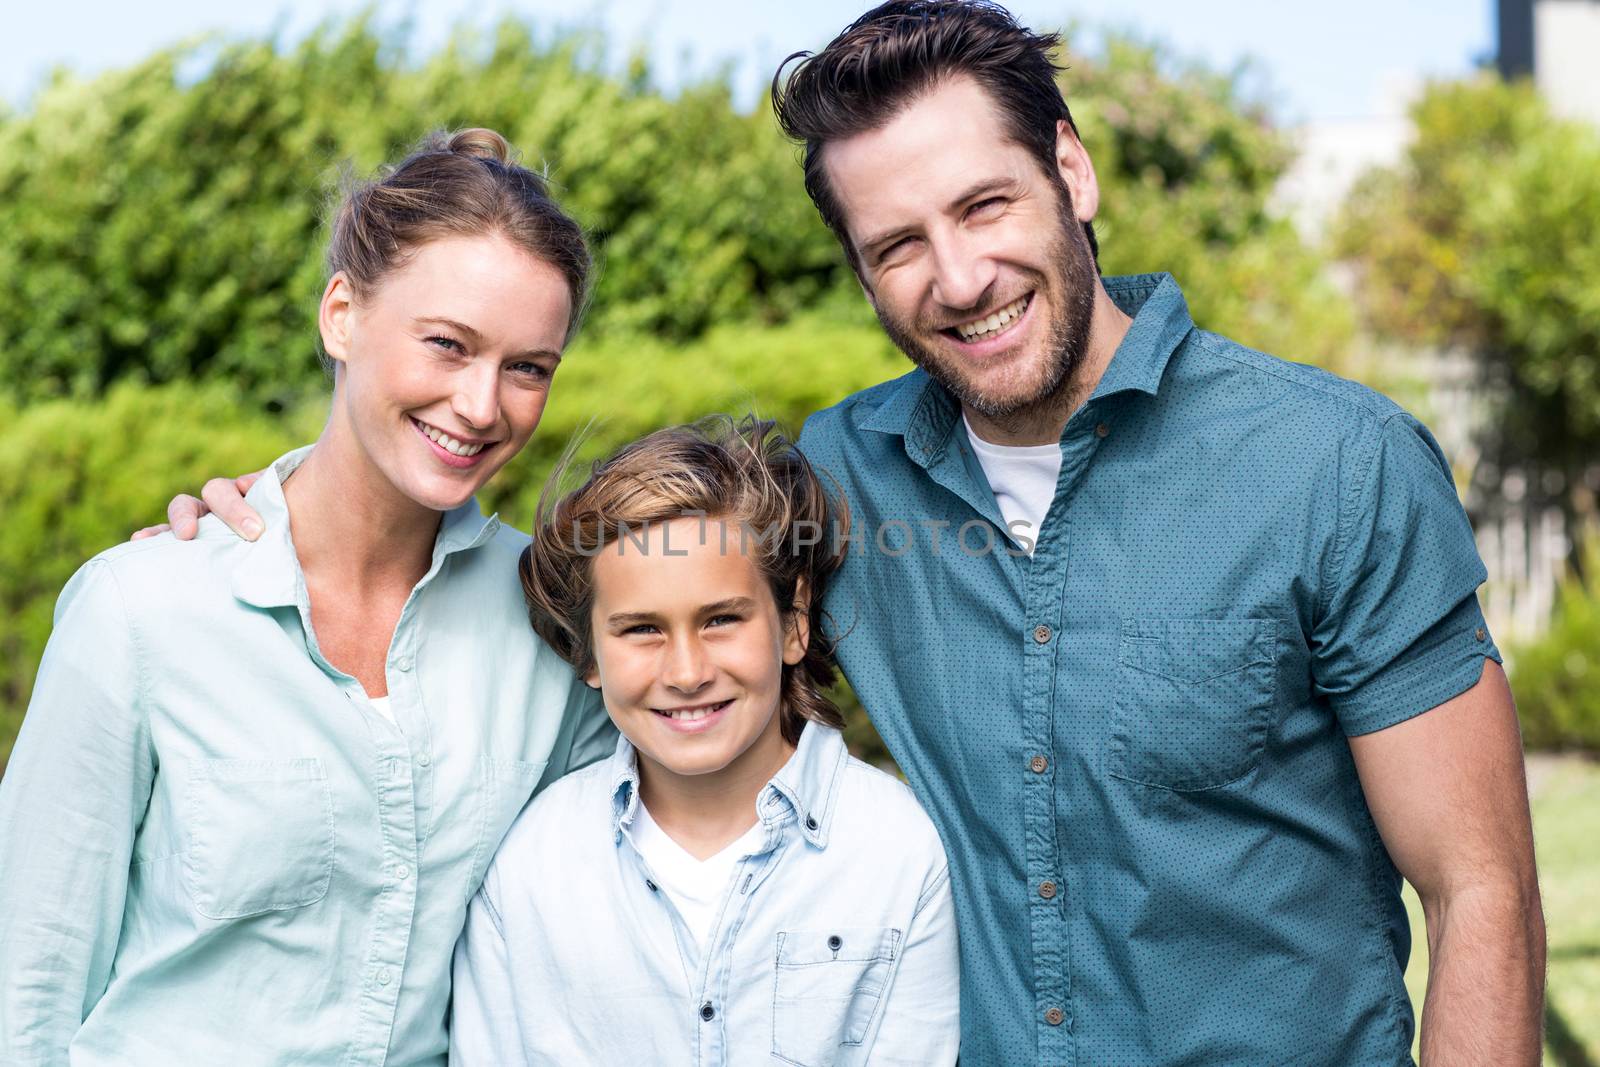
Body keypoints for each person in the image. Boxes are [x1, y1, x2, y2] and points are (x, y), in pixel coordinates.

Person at [157, 3, 1547, 1064]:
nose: (958, 276)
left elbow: (1480, 890)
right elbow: (640, 572)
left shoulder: (1335, 464)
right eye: (896, 243)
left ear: (1071, 167)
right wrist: (286, 510)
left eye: (986, 204)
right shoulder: (838, 477)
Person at [0, 128, 612, 1066]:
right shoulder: (141, 611)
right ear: (342, 315)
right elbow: (26, 988)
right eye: (448, 345)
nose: (484, 405)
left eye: (529, 366)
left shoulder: (555, 621)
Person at [448, 417, 960, 1065]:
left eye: (721, 619)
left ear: (794, 621)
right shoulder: (532, 868)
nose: (687, 672)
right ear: (589, 653)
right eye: (640, 629)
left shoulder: (896, 850)